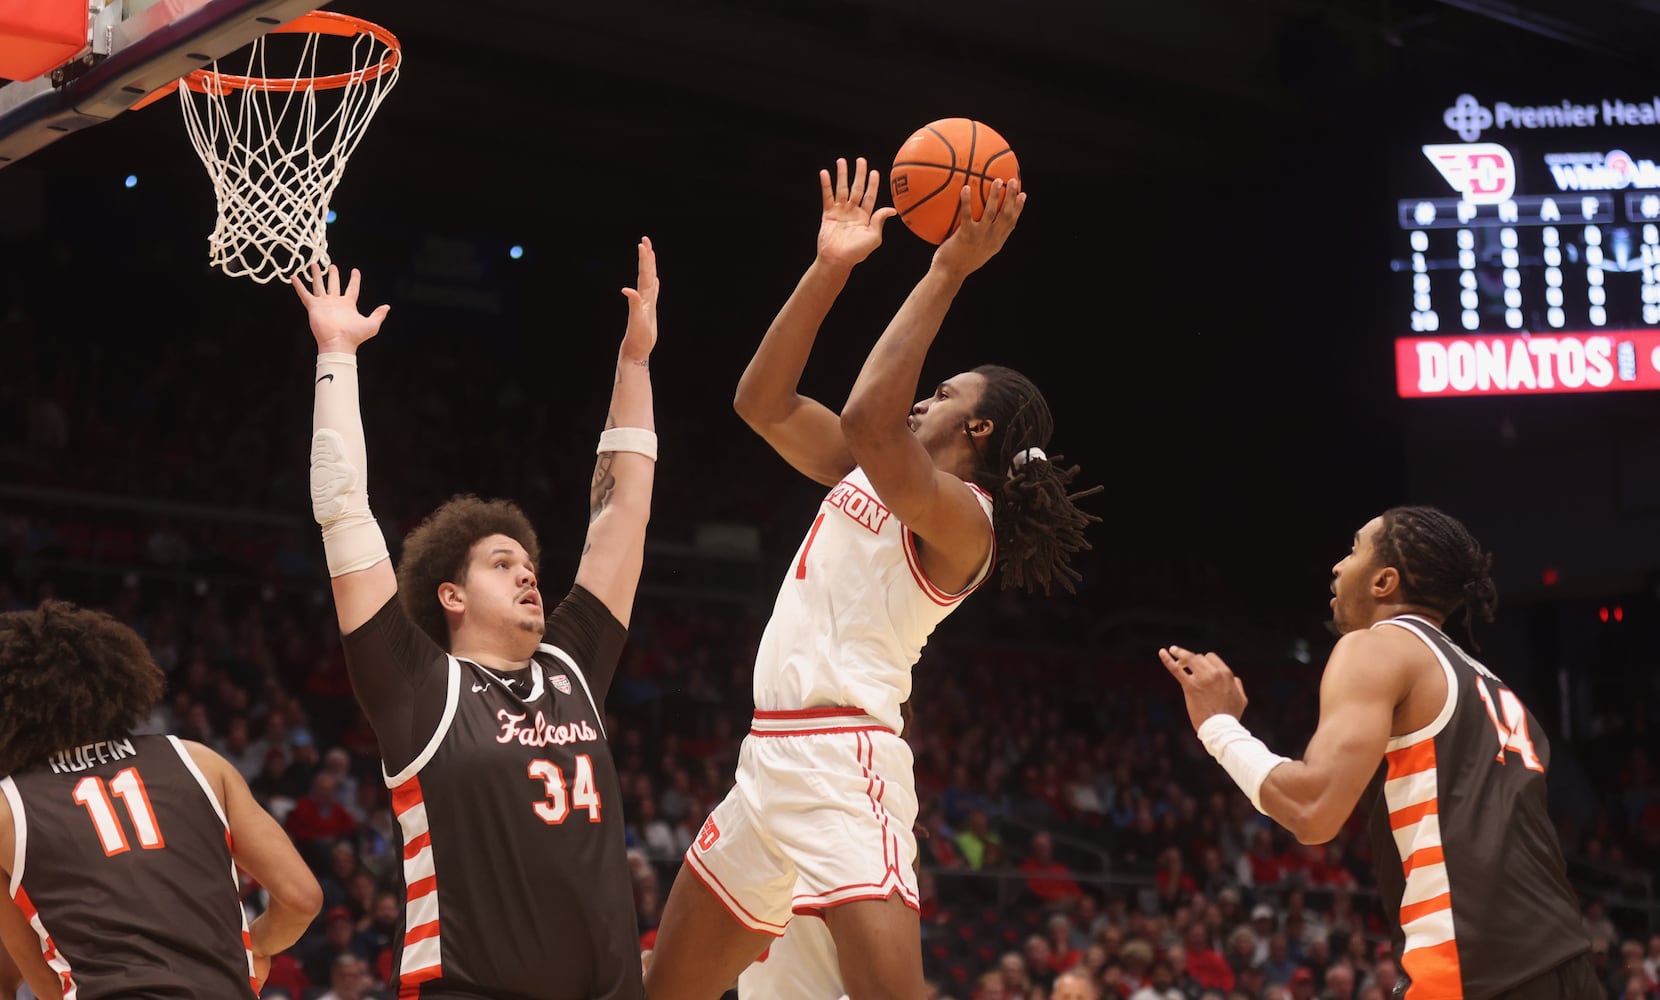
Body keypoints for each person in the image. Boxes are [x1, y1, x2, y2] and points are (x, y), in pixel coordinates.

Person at [644, 157, 1098, 1000]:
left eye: (945, 393)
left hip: (844, 764)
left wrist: (945, 269)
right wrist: (829, 269)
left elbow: (866, 415)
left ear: (982, 426)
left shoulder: (967, 522)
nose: (923, 400)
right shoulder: (869, 467)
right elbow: (762, 401)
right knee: (661, 988)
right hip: (766, 763)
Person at [290, 241, 659, 999]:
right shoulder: (418, 687)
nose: (528, 571)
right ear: (450, 597)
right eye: (500, 563)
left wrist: (635, 364)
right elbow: (342, 509)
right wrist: (336, 355)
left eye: (527, 561)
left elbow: (623, 513)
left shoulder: (569, 668)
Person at [1158, 505, 1596, 999]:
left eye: (1353, 548)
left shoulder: (1377, 647)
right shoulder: (1495, 688)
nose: (1338, 566)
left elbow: (1313, 809)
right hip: (1569, 961)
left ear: (1384, 582)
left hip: (1476, 967)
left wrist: (1218, 726)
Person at [0, 600, 322, 999]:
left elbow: (36, 982)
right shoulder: (198, 761)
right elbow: (302, 899)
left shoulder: (6, 811)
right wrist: (255, 945)